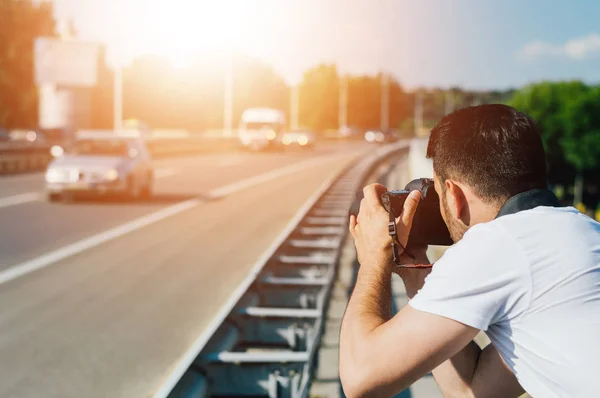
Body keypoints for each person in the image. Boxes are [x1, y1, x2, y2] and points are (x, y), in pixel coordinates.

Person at [339, 104, 600, 398]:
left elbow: (360, 377)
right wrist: (416, 274)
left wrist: (374, 256)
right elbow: (472, 390)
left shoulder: (498, 243)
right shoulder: (585, 234)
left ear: (453, 194)